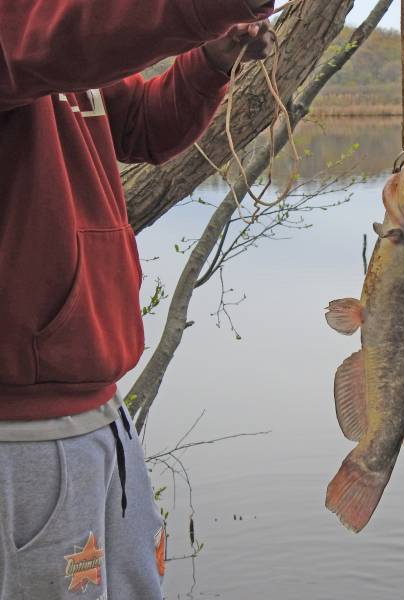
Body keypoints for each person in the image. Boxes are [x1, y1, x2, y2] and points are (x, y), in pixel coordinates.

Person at [0, 1, 278, 597]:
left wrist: (210, 61)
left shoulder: (55, 44)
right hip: (21, 433)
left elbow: (145, 126)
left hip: (98, 412)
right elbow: (79, 33)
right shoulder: (26, 32)